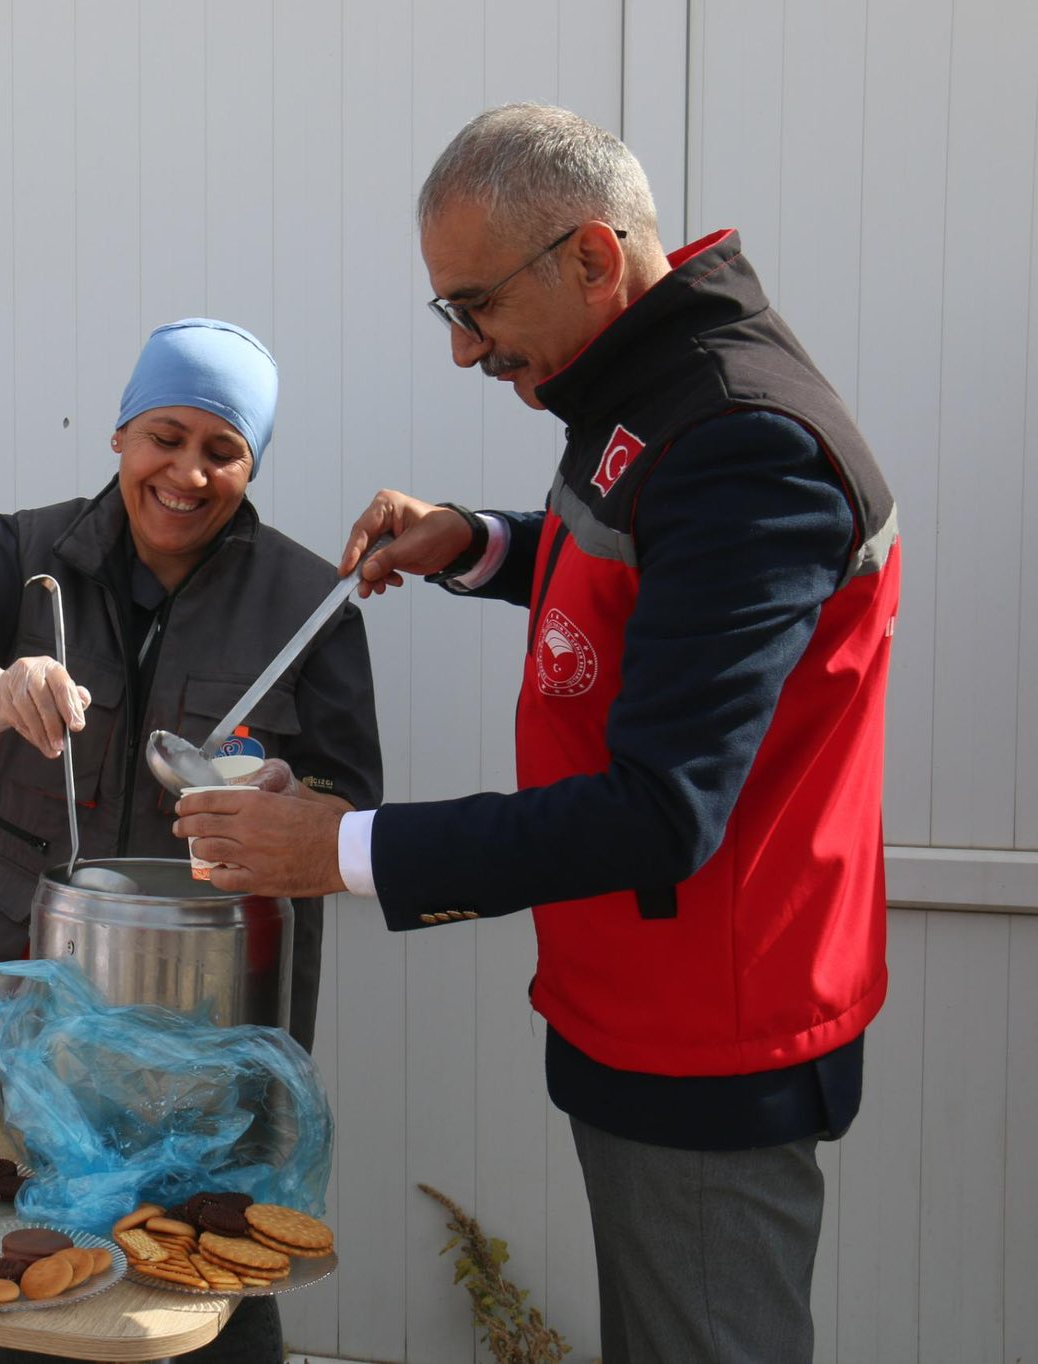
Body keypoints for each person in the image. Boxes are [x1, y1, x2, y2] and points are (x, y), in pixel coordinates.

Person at [179, 105, 899, 1364]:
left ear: (588, 259)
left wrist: (337, 848)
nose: (463, 350)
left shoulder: (742, 443)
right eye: (443, 314)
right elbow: (644, 582)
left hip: (709, 1035)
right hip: (639, 1000)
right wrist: (482, 543)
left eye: (474, 308)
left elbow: (660, 809)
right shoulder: (649, 388)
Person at [0, 318, 384, 1363]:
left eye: (220, 449)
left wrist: (287, 796)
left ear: (251, 463)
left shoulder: (303, 602)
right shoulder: (30, 557)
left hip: (204, 1022)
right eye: (163, 437)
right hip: (16, 993)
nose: (186, 472)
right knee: (21, 1267)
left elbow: (347, 802)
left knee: (198, 1280)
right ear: (119, 436)